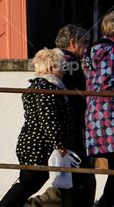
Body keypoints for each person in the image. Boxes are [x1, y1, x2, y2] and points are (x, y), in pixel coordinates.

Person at [0, 47, 82, 207]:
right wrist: (60, 143)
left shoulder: (49, 86)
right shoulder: (45, 88)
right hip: (39, 147)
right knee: (28, 184)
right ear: (49, 67)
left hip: (41, 146)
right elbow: (49, 118)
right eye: (60, 66)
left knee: (63, 185)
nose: (63, 71)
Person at [55, 24, 94, 205]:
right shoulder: (71, 63)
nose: (87, 48)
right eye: (84, 43)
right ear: (72, 42)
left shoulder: (54, 61)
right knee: (84, 177)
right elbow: (80, 97)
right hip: (73, 126)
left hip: (59, 127)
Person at [86, 12, 114, 207]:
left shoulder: (93, 49)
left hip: (97, 115)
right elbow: (106, 82)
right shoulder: (110, 50)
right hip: (109, 114)